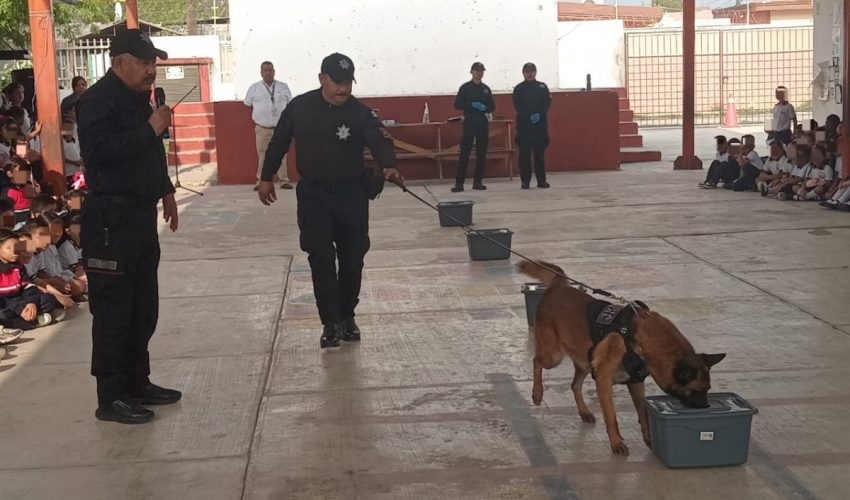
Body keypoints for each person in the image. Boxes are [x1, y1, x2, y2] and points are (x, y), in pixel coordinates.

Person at [258, 52, 403, 348]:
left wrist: (389, 165)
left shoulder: (360, 113)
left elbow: (378, 139)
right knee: (321, 260)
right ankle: (330, 323)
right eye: (337, 83)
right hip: (314, 198)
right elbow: (279, 141)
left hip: (351, 196)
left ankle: (348, 315)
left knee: (353, 259)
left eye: (348, 82)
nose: (344, 89)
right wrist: (266, 177)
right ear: (322, 79)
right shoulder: (300, 107)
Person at [76, 29, 181, 425]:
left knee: (143, 307)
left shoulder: (139, 100)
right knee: (114, 310)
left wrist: (166, 190)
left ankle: (138, 382)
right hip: (109, 221)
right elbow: (99, 153)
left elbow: (149, 154)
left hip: (140, 216)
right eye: (144, 62)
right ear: (119, 62)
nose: (151, 70)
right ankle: (112, 395)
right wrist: (151, 127)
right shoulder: (97, 102)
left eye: (153, 62)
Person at [244, 61, 293, 191]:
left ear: (274, 71)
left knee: (282, 154)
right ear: (261, 72)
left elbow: (290, 103)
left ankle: (284, 180)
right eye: (265, 70)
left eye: (270, 70)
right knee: (262, 155)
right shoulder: (254, 88)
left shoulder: (283, 87)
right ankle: (260, 181)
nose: (268, 72)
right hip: (262, 127)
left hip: (280, 128)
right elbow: (247, 103)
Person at [452, 62, 495, 192]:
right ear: (471, 72)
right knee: (464, 153)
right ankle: (459, 183)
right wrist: (471, 105)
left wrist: (484, 108)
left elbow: (492, 107)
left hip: (482, 122)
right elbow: (457, 104)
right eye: (477, 71)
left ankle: (478, 181)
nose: (479, 73)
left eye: (481, 71)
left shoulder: (486, 89)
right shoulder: (465, 88)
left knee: (481, 153)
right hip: (469, 122)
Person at [512, 62, 551, 189]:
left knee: (539, 154)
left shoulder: (542, 87)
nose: (530, 74)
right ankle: (525, 181)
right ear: (523, 73)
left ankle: (541, 180)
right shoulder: (519, 89)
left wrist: (539, 114)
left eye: (532, 71)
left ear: (536, 72)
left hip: (539, 127)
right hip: (524, 126)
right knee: (524, 155)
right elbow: (518, 105)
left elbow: (547, 103)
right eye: (527, 71)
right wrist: (528, 116)